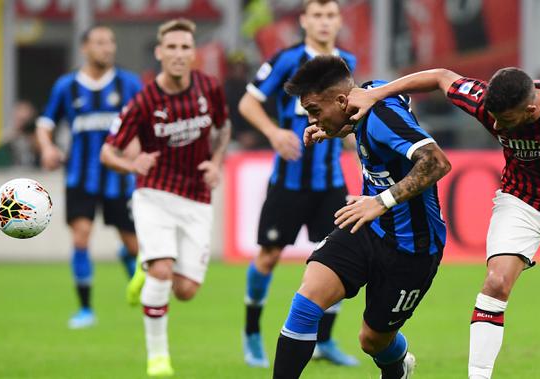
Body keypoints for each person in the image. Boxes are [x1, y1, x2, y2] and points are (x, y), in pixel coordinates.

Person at [345, 67, 540, 378]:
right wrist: (376, 94)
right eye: (493, 117)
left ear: (531, 109)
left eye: (505, 120)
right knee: (495, 284)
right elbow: (441, 76)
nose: (495, 125)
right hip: (520, 202)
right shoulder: (487, 101)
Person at [272, 56, 451, 379]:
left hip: (413, 247)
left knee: (372, 341)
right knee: (306, 301)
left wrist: (380, 201)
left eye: (315, 111)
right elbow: (383, 109)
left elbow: (437, 162)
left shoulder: (381, 115)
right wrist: (335, 129)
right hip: (368, 227)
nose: (312, 119)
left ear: (341, 100)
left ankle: (398, 367)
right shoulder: (370, 96)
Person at [100, 18, 231, 377]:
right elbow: (107, 152)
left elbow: (224, 126)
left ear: (193, 53)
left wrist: (216, 162)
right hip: (153, 192)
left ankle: (148, 266)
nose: (178, 54)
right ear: (159, 52)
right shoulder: (143, 101)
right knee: (162, 270)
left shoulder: (209, 88)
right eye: (170, 47)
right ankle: (158, 358)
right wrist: (132, 163)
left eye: (185, 47)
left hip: (197, 197)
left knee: (186, 290)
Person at [237, 0, 358, 367]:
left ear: (338, 21)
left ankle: (325, 341)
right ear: (304, 20)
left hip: (330, 182)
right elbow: (248, 103)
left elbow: (351, 116)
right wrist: (274, 132)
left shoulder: (346, 64)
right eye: (317, 15)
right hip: (288, 182)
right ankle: (253, 333)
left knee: (336, 261)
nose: (324, 22)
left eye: (330, 15)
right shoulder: (287, 59)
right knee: (269, 256)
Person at [35, 25, 142, 329]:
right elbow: (45, 124)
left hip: (119, 178)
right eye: (100, 42)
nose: (107, 48)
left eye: (111, 42)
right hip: (80, 178)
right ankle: (85, 310)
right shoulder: (66, 86)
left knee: (134, 246)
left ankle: (129, 261)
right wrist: (47, 148)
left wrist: (137, 149)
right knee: (81, 237)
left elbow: (144, 122)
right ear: (85, 48)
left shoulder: (129, 83)